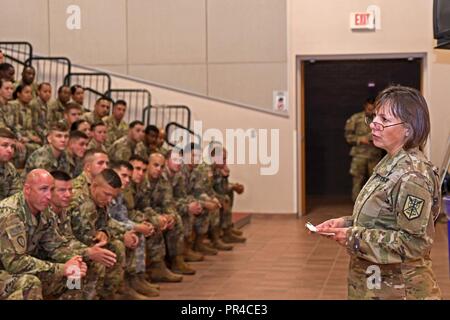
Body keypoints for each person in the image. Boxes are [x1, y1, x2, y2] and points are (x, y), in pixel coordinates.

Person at [316, 86, 442, 300]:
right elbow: (385, 219)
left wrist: (353, 236)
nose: (374, 123)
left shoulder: (412, 175)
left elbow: (414, 243)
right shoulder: (390, 162)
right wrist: (346, 223)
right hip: (376, 286)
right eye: (375, 116)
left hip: (401, 290)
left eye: (384, 119)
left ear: (408, 129)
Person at [0, 169, 88, 300]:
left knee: (75, 275)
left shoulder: (45, 210)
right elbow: (14, 263)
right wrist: (61, 268)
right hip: (5, 270)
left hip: (20, 268)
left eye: (51, 190)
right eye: (43, 189)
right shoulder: (10, 214)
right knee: (29, 283)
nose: (48, 196)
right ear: (27, 190)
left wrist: (75, 260)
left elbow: (55, 245)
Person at [345, 99, 384, 202]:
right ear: (365, 107)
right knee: (357, 181)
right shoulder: (355, 119)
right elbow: (348, 137)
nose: (371, 111)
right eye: (369, 109)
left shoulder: (380, 119)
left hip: (375, 155)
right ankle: (356, 205)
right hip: (359, 155)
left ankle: (374, 205)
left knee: (376, 182)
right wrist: (360, 139)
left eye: (373, 109)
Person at [0, 128, 22, 201]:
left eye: (12, 146)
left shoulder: (10, 168)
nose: (10, 150)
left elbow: (17, 196)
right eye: (5, 145)